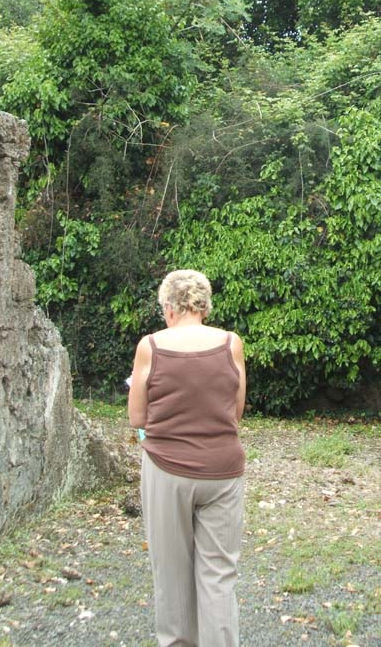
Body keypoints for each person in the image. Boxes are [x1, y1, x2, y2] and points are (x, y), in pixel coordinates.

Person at [128, 269, 247, 647]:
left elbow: (137, 417)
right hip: (223, 471)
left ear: (168, 307)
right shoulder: (232, 344)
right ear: (204, 306)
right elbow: (236, 410)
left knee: (173, 576)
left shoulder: (151, 345)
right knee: (219, 577)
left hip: (167, 470)